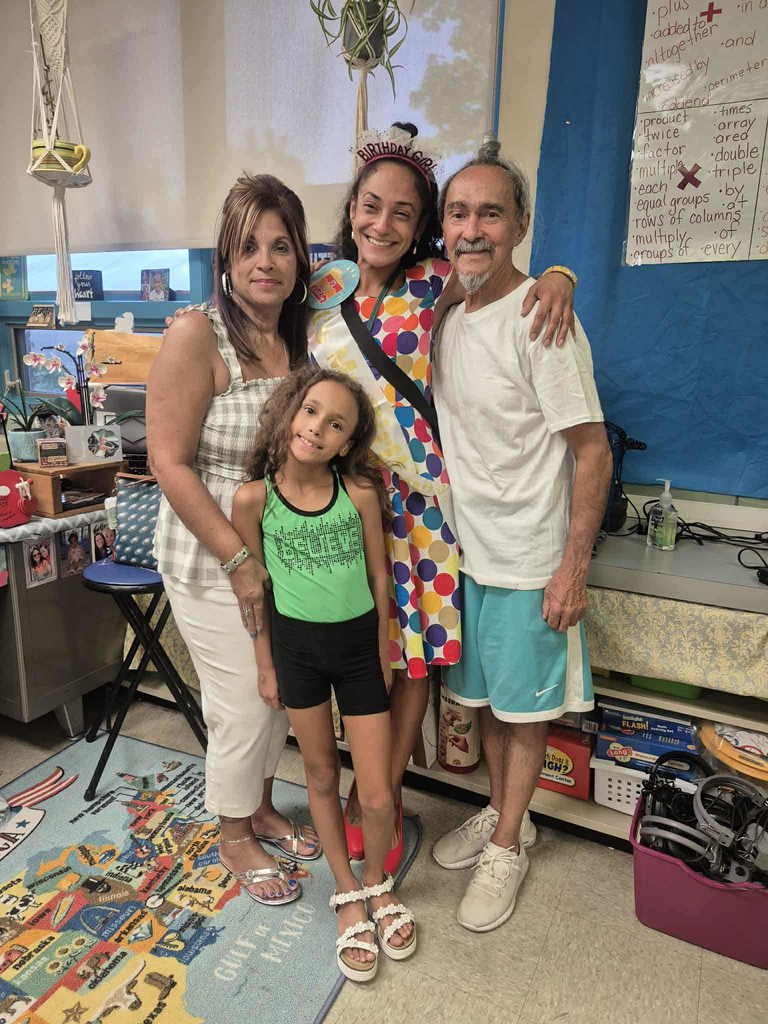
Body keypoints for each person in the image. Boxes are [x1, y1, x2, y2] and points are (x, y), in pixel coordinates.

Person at [309, 122, 578, 864]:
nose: (382, 224)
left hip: (426, 511)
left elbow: (509, 276)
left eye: (403, 212)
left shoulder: (438, 283)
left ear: (423, 223)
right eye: (370, 206)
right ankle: (361, 786)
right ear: (352, 208)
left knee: (414, 660)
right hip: (348, 506)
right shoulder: (321, 290)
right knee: (358, 654)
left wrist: (562, 273)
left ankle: (382, 803)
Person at [430, 139, 612, 931]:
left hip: (530, 559)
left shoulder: (544, 317)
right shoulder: (447, 313)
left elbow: (591, 449)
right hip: (466, 554)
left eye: (491, 214)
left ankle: (508, 842)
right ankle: (511, 813)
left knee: (526, 715)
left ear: (521, 224)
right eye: (459, 212)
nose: (473, 230)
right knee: (489, 706)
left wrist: (573, 568)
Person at [147, 173, 320, 909]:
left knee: (278, 695)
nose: (266, 261)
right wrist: (240, 561)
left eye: (281, 246)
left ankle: (261, 805)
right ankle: (231, 830)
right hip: (210, 554)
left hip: (279, 551)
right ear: (226, 255)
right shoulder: (197, 334)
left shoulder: (296, 337)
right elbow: (168, 461)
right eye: (249, 245)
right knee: (245, 703)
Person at [232, 365, 415, 982]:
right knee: (318, 774)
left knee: (377, 789)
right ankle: (345, 894)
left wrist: (386, 653)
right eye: (311, 411)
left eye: (336, 424)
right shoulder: (252, 499)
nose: (317, 429)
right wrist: (265, 665)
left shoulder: (359, 494)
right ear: (289, 411)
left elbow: (379, 576)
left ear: (347, 441)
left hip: (361, 653)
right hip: (297, 654)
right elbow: (253, 592)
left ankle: (377, 884)